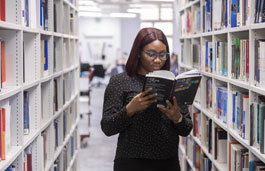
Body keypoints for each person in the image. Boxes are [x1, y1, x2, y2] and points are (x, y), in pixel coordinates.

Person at [100, 27, 193, 171]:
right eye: (151, 54)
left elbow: (186, 129)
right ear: (138, 53)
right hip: (131, 161)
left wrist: (177, 118)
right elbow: (107, 127)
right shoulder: (120, 81)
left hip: (168, 161)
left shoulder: (171, 83)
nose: (158, 60)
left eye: (163, 55)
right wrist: (130, 109)